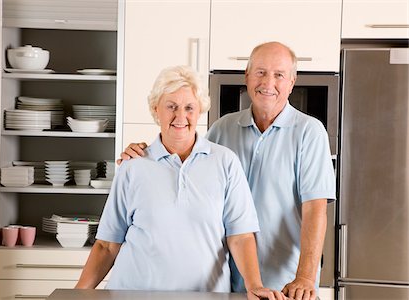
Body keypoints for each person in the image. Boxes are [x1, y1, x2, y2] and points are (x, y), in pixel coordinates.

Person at [119, 42, 336, 300]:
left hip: (284, 283)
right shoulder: (223, 128)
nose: (268, 82)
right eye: (260, 72)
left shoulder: (309, 132)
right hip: (225, 279)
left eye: (279, 74)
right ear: (246, 76)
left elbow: (315, 210)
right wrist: (142, 152)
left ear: (291, 81)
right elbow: (181, 159)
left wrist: (305, 277)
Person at [76, 65, 285, 300]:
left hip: (206, 296)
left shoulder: (225, 162)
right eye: (171, 107)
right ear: (156, 109)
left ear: (200, 112)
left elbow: (241, 235)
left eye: (189, 108)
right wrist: (76, 295)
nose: (180, 117)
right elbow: (107, 244)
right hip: (133, 294)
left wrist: (254, 284)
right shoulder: (133, 166)